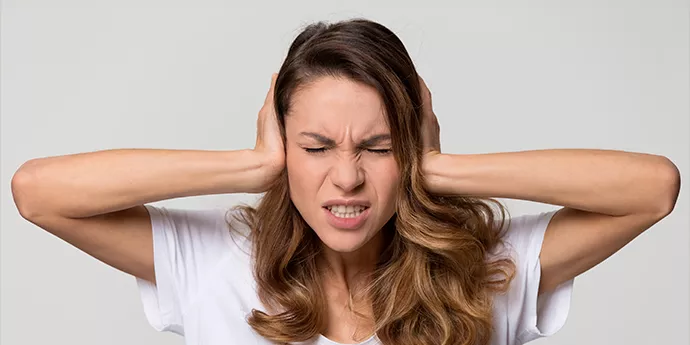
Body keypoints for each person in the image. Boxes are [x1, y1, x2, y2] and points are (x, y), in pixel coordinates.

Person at [11, 18, 680, 345]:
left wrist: (440, 168)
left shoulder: (478, 271)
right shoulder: (217, 266)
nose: (348, 177)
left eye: (379, 147)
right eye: (316, 145)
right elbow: (38, 192)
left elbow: (653, 187)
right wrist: (251, 165)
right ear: (284, 148)